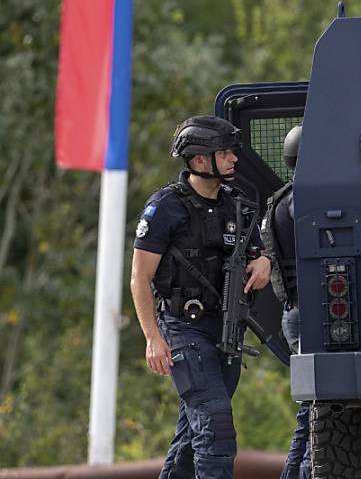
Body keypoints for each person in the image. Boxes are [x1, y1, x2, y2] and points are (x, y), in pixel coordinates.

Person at [129, 115, 271, 479]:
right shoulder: (165, 208)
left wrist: (264, 261)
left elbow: (258, 252)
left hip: (227, 331)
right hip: (184, 329)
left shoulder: (237, 206)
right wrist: (152, 338)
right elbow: (140, 278)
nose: (233, 159)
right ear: (199, 160)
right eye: (224, 153)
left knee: (193, 437)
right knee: (216, 427)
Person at [260, 125, 309, 479]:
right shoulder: (300, 200)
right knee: (317, 408)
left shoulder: (282, 198)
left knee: (315, 408)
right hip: (307, 315)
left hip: (296, 311)